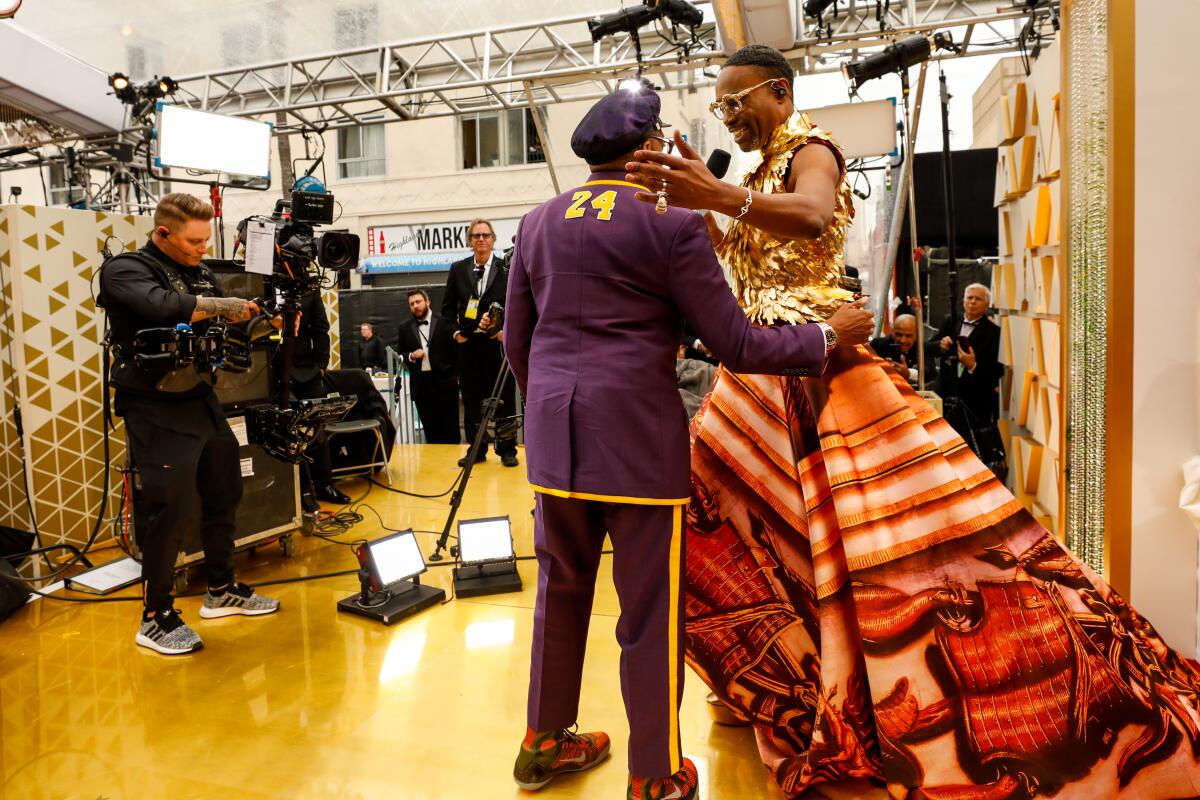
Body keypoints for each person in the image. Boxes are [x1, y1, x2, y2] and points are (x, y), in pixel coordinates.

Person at [627, 43, 1200, 799]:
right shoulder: (758, 170)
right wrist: (690, 200)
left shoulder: (812, 149)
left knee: (881, 548)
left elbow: (810, 216)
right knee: (737, 538)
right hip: (762, 368)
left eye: (740, 102)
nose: (730, 117)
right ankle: (782, 679)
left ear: (780, 92)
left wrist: (717, 195)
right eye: (721, 106)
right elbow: (746, 256)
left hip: (820, 366)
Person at [503, 80, 874, 800]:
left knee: (560, 594)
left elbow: (519, 346)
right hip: (637, 447)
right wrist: (829, 334)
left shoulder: (537, 221)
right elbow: (734, 342)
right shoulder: (668, 223)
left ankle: (543, 743)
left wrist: (553, 408)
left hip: (555, 443)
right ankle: (656, 774)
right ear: (647, 149)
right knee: (647, 615)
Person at [100, 193, 279, 656]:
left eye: (206, 239)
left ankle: (220, 589)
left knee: (225, 488)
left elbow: (221, 320)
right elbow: (162, 307)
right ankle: (155, 616)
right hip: (153, 404)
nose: (203, 248)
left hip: (197, 396)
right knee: (168, 511)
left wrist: (257, 319)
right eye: (194, 240)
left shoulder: (199, 271)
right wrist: (224, 306)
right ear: (163, 233)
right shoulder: (125, 269)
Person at [442, 219, 519, 467]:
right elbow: (446, 310)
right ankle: (477, 450)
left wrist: (506, 331)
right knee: (472, 400)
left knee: (504, 398)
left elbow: (518, 306)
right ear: (470, 240)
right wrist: (456, 334)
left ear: (493, 239)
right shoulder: (457, 269)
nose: (481, 239)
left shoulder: (506, 268)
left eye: (485, 235)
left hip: (497, 345)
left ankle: (507, 450)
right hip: (469, 345)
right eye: (476, 235)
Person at [287, 289, 350, 507]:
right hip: (267, 370)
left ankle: (324, 484)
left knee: (316, 430)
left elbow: (321, 329)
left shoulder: (309, 289)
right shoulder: (258, 280)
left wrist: (321, 365)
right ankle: (293, 491)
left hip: (306, 371)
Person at [929, 283, 1002, 425]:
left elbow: (997, 371)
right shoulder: (950, 320)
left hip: (975, 400)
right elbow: (929, 347)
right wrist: (941, 345)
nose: (973, 301)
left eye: (978, 299)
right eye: (970, 297)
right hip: (946, 391)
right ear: (963, 301)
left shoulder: (994, 332)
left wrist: (973, 366)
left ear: (987, 305)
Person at [397, 288, 461, 444]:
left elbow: (456, 352)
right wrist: (411, 355)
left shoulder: (445, 322)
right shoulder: (404, 328)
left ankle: (453, 464)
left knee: (451, 429)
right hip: (421, 385)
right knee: (430, 431)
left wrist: (456, 378)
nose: (415, 306)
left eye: (418, 302)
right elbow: (401, 353)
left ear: (427, 302)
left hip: (446, 383)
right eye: (411, 304)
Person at [870, 312, 919, 384]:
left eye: (908, 336)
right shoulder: (878, 345)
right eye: (898, 334)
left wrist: (909, 374)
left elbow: (929, 373)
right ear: (892, 332)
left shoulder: (921, 348)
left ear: (917, 335)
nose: (903, 340)